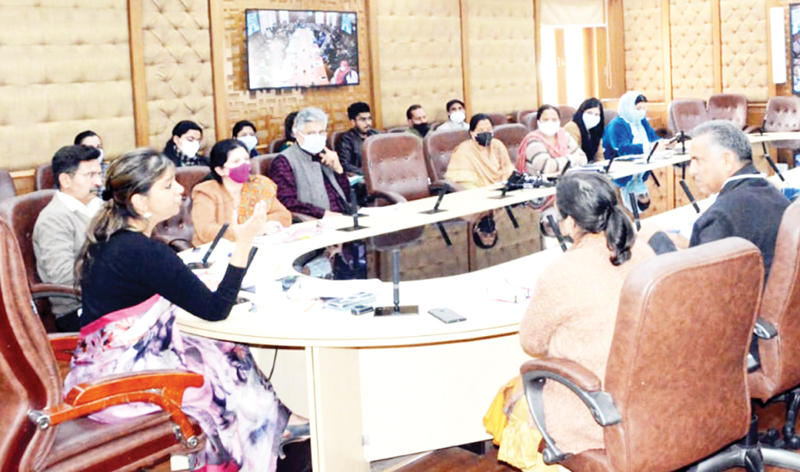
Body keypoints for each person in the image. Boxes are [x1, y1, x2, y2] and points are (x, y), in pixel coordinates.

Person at [65, 149, 308, 472]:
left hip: (98, 365)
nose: (180, 189)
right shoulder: (145, 251)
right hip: (122, 377)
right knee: (223, 360)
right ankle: (258, 439)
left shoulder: (116, 240)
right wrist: (243, 244)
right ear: (140, 203)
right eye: (168, 186)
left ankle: (274, 421)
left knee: (219, 348)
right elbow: (216, 309)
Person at [484, 172, 654, 471]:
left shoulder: (562, 272)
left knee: (510, 398)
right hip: (649, 398)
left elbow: (531, 342)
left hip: (595, 412)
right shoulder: (643, 251)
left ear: (571, 223)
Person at [647, 120, 790, 279]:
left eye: (698, 160)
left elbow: (695, 287)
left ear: (726, 161)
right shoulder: (773, 194)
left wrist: (657, 241)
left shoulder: (722, 215)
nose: (692, 171)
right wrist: (689, 243)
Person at [32, 145, 103, 332]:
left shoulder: (100, 207)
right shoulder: (53, 219)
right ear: (66, 180)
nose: (98, 182)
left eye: (99, 174)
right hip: (76, 309)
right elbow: (63, 277)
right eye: (90, 175)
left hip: (108, 296)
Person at [192, 139, 291, 246]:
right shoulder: (206, 192)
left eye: (246, 159)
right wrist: (251, 230)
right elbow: (206, 231)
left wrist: (261, 227)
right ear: (220, 170)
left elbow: (284, 216)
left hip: (258, 245)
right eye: (236, 162)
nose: (244, 165)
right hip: (218, 252)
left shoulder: (258, 185)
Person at [269, 107, 351, 219]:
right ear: (298, 135)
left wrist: (339, 170)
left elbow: (346, 197)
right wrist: (323, 214)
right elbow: (287, 202)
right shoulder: (284, 161)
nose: (317, 137)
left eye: (321, 133)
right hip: (316, 223)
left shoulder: (326, 155)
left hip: (345, 217)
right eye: (311, 133)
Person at [603, 92, 669, 212]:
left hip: (638, 164)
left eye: (644, 108)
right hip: (619, 166)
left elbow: (653, 139)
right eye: (638, 108)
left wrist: (666, 143)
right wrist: (649, 147)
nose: (641, 112)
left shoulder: (641, 120)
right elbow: (623, 149)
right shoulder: (616, 124)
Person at [445, 114, 513, 189]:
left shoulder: (497, 145)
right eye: (481, 130)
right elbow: (464, 180)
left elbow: (508, 170)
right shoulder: (464, 150)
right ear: (472, 132)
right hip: (478, 192)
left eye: (489, 129)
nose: (485, 132)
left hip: (503, 189)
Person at [517, 105, 587, 175]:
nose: (550, 123)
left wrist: (560, 164)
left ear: (559, 121)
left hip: (565, 179)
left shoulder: (564, 135)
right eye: (546, 120)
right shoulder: (533, 140)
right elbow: (547, 166)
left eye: (554, 120)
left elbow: (583, 158)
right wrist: (571, 159)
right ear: (538, 122)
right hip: (541, 184)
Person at [337, 101, 379, 175]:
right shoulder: (347, 140)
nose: (368, 123)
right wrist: (368, 172)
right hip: (362, 178)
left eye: (369, 119)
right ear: (353, 122)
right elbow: (345, 164)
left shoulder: (377, 135)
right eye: (363, 120)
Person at [564, 98, 605, 162]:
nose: (592, 117)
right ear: (581, 113)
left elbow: (599, 157)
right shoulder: (572, 127)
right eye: (589, 113)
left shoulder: (595, 130)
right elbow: (574, 153)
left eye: (596, 115)